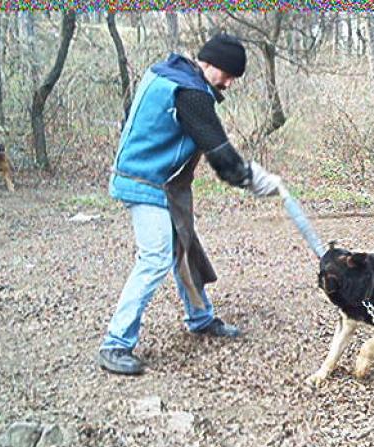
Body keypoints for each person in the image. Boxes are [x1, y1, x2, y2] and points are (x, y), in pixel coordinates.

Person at [98, 33, 281, 375]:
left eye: (233, 77)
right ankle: (115, 343)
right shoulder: (190, 93)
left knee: (184, 247)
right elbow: (221, 157)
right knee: (154, 258)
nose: (228, 82)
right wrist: (256, 180)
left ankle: (200, 318)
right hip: (147, 182)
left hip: (161, 182)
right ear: (207, 63)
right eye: (226, 74)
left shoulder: (170, 73)